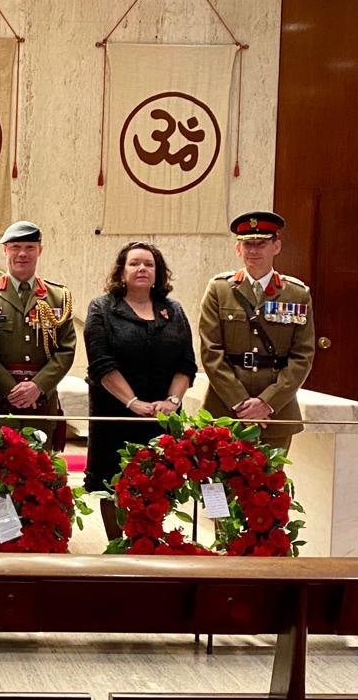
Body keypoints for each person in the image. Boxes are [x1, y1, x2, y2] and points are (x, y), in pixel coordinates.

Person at [83, 241, 197, 540]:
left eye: (149, 264)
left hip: (161, 417)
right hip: (115, 415)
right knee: (112, 482)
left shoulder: (174, 310)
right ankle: (117, 545)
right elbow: (101, 364)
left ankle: (149, 540)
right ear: (121, 271)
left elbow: (187, 364)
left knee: (158, 481)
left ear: (158, 272)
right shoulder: (102, 308)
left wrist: (172, 401)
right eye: (134, 263)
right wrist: (132, 402)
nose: (142, 268)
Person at [199, 211, 315, 453]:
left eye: (261, 243)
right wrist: (240, 403)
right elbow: (211, 351)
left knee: (269, 486)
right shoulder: (219, 289)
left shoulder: (297, 293)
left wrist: (266, 403)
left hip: (275, 414)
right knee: (219, 488)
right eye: (247, 244)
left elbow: (302, 355)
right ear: (238, 249)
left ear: (277, 246)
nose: (253, 250)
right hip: (225, 409)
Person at [0, 220, 76, 450]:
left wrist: (37, 386)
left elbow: (66, 349)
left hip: (41, 403)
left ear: (40, 250)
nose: (22, 254)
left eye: (29, 247)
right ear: (5, 250)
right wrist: (8, 388)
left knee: (38, 475)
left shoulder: (58, 297)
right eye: (15, 247)